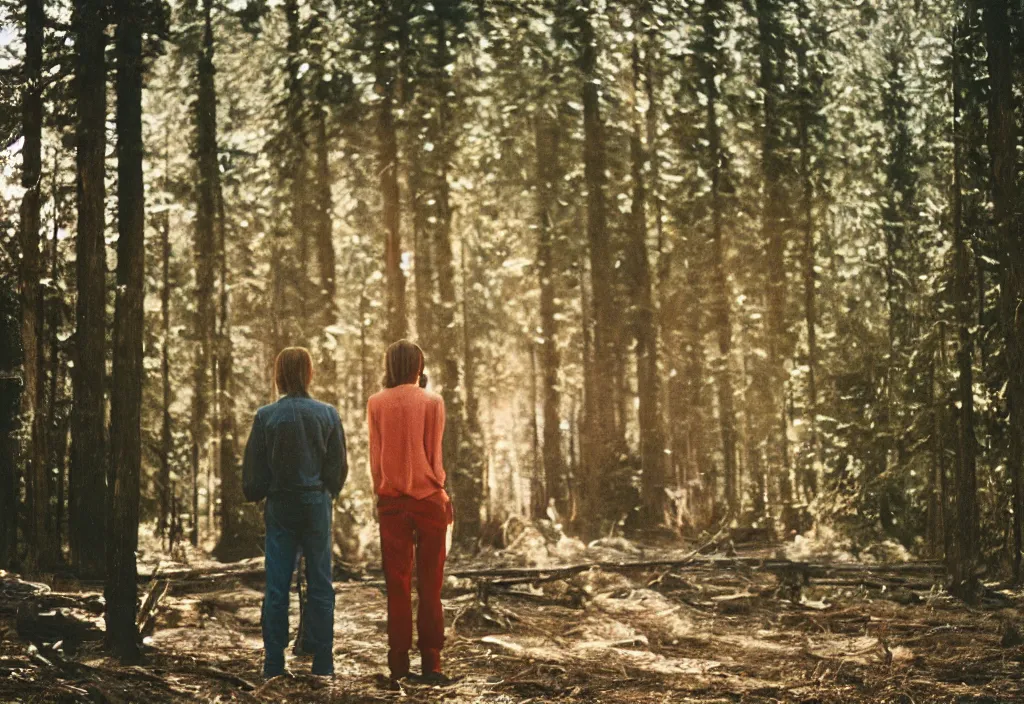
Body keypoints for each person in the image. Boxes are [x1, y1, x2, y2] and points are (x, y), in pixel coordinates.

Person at [242, 346, 347, 679]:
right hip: (316, 504)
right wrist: (325, 491)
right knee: (320, 583)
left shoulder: (266, 416)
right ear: (308, 373)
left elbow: (252, 479)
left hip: (281, 505)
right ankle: (323, 663)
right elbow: (338, 468)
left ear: (280, 374)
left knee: (276, 585)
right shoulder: (328, 414)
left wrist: (263, 491)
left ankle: (273, 664)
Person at [367, 340, 454, 684]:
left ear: (389, 365)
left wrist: (384, 489)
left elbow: (376, 456)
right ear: (419, 365)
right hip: (430, 498)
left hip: (391, 502)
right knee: (431, 585)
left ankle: (398, 663)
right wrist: (438, 487)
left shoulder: (376, 402)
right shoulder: (433, 402)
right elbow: (435, 455)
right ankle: (432, 663)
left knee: (398, 585)